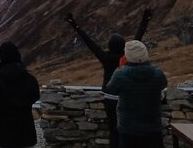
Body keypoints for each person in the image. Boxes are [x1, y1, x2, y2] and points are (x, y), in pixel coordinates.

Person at [65, 9, 152, 148]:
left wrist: (74, 25)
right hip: (126, 98)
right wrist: (145, 20)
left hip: (109, 98)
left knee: (113, 131)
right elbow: (137, 38)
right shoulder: (127, 58)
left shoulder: (105, 57)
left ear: (110, 46)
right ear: (123, 45)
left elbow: (89, 43)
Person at [106, 41, 168, 148]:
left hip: (128, 128)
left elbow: (110, 90)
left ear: (127, 56)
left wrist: (122, 67)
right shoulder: (157, 73)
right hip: (152, 127)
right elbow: (163, 85)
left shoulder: (119, 74)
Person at [0, 42, 40, 148]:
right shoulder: (29, 78)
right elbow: (35, 96)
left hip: (3, 136)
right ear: (17, 55)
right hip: (26, 133)